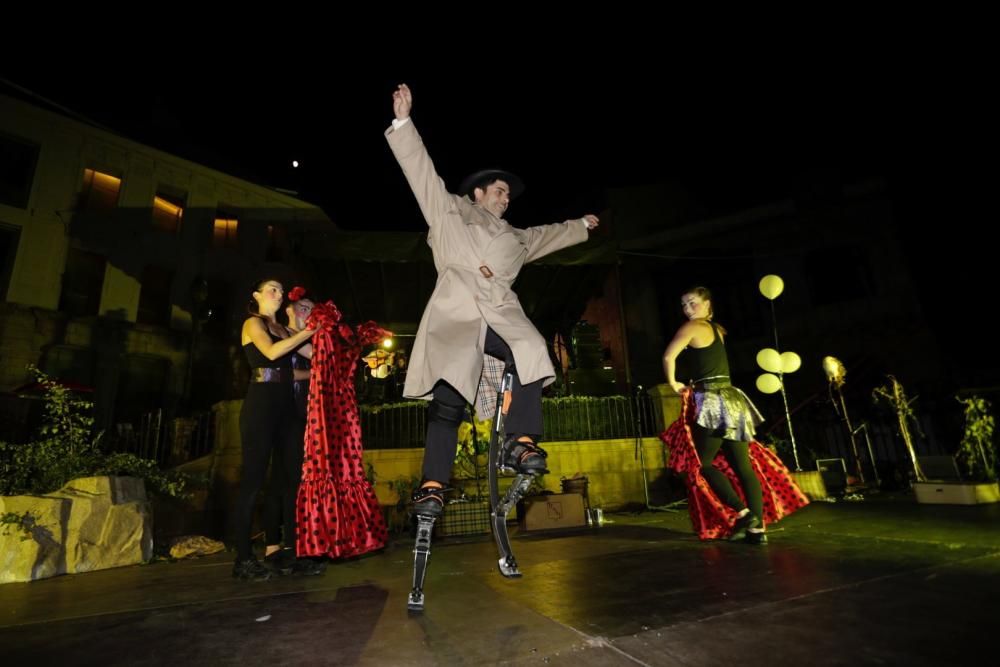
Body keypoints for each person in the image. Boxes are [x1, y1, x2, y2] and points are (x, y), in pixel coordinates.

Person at [385, 83, 600, 516]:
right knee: (448, 398)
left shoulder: (516, 237)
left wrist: (581, 225)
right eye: (499, 190)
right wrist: (405, 123)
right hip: (457, 310)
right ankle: (432, 484)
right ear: (477, 193)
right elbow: (420, 172)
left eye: (507, 193)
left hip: (500, 311)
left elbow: (549, 234)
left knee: (533, 350)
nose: (506, 197)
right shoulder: (447, 211)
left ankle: (518, 443)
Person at [661, 286, 808, 544]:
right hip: (732, 398)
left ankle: (743, 514)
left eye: (693, 303)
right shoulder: (718, 330)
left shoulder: (692, 327)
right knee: (743, 466)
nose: (687, 309)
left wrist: (673, 383)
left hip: (712, 400)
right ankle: (757, 530)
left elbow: (668, 356)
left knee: (700, 464)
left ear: (708, 304)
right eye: (684, 305)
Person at [232, 278, 316, 580]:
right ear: (257, 295)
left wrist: (334, 333)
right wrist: (308, 332)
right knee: (253, 481)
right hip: (260, 408)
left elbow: (309, 358)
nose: (278, 294)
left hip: (286, 411)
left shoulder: (285, 329)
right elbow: (270, 354)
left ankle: (291, 552)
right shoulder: (253, 324)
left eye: (281, 290)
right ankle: (243, 559)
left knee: (291, 479)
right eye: (272, 289)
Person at [260, 287, 324, 576]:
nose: (307, 313)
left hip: (303, 412)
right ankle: (277, 545)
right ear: (289, 309)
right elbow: (271, 370)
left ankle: (289, 545)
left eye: (311, 308)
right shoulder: (285, 333)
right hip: (282, 408)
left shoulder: (308, 338)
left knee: (292, 480)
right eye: (302, 307)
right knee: (282, 479)